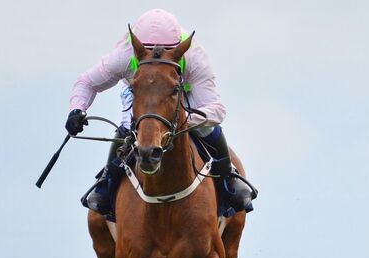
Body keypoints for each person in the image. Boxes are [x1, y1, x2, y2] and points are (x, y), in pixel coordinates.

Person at [65, 9, 256, 217]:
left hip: (181, 94)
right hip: (141, 91)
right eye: (149, 52)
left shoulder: (194, 57)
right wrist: (77, 109)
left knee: (206, 127)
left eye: (165, 52)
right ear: (138, 49)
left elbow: (215, 109)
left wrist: (182, 121)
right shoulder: (124, 55)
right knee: (127, 128)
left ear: (177, 48)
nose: (156, 56)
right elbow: (87, 82)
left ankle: (228, 176)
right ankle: (106, 183)